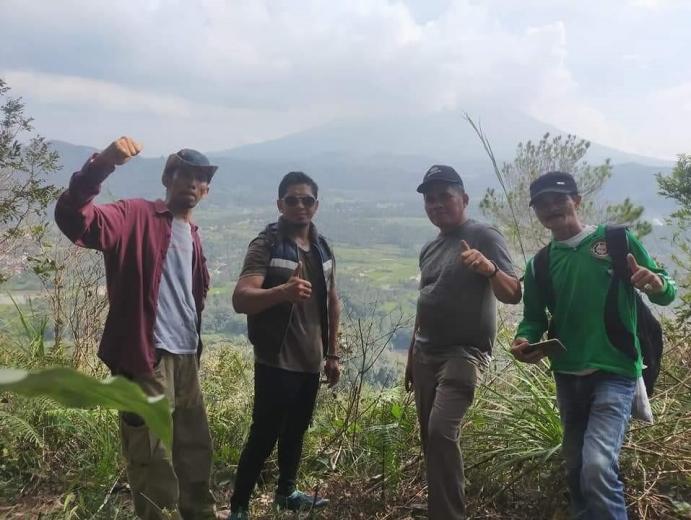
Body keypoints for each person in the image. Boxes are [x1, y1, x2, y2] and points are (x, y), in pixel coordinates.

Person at [55, 137, 219, 520]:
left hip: (186, 359)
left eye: (201, 179)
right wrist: (102, 165)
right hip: (146, 357)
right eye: (184, 174)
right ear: (167, 178)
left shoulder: (192, 236)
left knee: (195, 451)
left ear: (206, 191)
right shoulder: (135, 215)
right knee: (152, 457)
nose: (192, 183)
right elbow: (75, 219)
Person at [511, 171, 677, 520]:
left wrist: (656, 284)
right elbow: (533, 319)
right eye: (542, 204)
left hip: (615, 370)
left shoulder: (616, 241)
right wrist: (525, 340)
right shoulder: (539, 264)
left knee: (598, 466)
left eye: (559, 199)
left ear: (577, 200)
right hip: (568, 375)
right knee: (576, 470)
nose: (551, 208)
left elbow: (665, 291)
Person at [404, 165, 522, 520]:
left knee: (441, 430)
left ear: (464, 199)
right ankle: (440, 507)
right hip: (425, 352)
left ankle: (449, 514)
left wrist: (489, 269)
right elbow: (424, 302)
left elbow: (513, 293)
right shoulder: (430, 248)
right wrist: (410, 356)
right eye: (430, 199)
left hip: (463, 354)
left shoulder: (483, 235)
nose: (437, 204)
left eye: (445, 196)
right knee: (430, 437)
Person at [227, 171, 341, 520]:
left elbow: (332, 300)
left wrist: (332, 353)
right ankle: (239, 506)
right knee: (264, 434)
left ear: (316, 205)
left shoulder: (322, 247)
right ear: (280, 204)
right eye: (292, 200)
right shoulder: (266, 244)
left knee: (296, 430)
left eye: (307, 200)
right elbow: (241, 298)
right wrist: (283, 292)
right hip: (275, 358)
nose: (300, 206)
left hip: (310, 359)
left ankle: (286, 492)